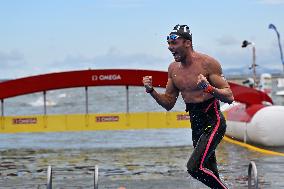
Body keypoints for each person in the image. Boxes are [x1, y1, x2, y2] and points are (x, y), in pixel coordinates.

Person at [142, 24, 234, 189]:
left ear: (187, 43)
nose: (170, 48)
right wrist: (151, 91)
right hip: (196, 124)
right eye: (168, 44)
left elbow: (229, 96)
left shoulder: (208, 64)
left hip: (213, 121)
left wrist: (209, 89)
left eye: (174, 43)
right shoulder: (173, 69)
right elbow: (169, 103)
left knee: (194, 168)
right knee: (209, 170)